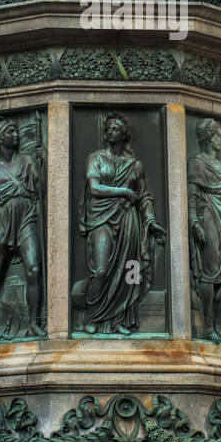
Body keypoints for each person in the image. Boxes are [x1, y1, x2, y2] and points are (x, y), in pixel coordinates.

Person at [72, 113, 165, 334]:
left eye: (115, 128)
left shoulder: (134, 165)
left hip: (127, 220)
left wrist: (150, 220)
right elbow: (94, 188)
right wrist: (124, 191)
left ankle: (119, 320)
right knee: (102, 269)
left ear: (124, 134)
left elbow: (144, 196)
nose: (109, 131)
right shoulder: (95, 158)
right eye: (107, 128)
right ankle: (92, 316)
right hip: (100, 218)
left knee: (127, 271)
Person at [0, 119, 44, 342]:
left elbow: (42, 192)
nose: (17, 134)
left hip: (26, 219)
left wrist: (43, 163)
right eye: (11, 131)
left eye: (16, 130)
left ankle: (33, 322)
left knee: (33, 269)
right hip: (3, 224)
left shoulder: (29, 162)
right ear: (0, 138)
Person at [187, 117, 221, 344]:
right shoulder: (197, 162)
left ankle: (219, 326)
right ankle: (207, 327)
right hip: (208, 214)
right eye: (218, 135)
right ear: (209, 137)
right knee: (209, 273)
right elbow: (192, 195)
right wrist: (194, 222)